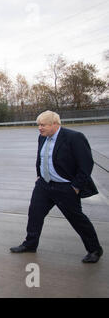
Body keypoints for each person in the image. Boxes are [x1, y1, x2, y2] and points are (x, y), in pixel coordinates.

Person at [10, 110, 103, 263]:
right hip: (44, 185)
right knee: (35, 214)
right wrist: (39, 175)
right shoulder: (42, 137)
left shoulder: (74, 137)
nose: (40, 128)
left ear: (55, 124)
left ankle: (94, 250)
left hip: (66, 187)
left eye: (43, 125)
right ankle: (30, 244)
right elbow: (41, 157)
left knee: (77, 219)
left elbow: (86, 164)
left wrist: (75, 187)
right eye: (38, 125)